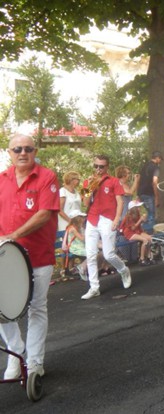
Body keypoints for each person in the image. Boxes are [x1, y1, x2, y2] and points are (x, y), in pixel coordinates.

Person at [0, 133, 60, 379]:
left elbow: (44, 213)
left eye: (27, 148)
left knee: (37, 308)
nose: (22, 153)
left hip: (38, 255)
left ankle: (35, 363)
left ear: (35, 152)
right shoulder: (2, 180)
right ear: (9, 153)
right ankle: (16, 353)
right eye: (17, 149)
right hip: (6, 258)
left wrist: (12, 235)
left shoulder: (47, 177)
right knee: (1, 308)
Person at [80, 155, 132, 300]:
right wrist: (89, 187)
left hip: (107, 219)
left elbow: (120, 201)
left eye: (101, 166)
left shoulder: (113, 181)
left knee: (109, 254)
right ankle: (94, 287)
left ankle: (123, 270)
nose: (98, 169)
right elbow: (84, 203)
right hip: (92, 219)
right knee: (90, 255)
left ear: (107, 167)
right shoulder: (87, 181)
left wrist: (117, 219)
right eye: (95, 166)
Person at [120, 200, 154, 266]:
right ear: (134, 209)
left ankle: (149, 257)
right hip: (130, 233)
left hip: (137, 231)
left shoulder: (137, 214)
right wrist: (140, 220)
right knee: (145, 240)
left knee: (149, 238)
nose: (139, 208)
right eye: (138, 207)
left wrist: (143, 219)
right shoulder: (128, 217)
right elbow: (133, 228)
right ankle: (142, 259)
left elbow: (138, 225)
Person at [138, 151, 163, 233]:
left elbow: (139, 178)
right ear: (157, 158)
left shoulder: (145, 165)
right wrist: (157, 197)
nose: (160, 161)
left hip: (141, 192)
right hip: (149, 193)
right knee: (151, 215)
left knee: (149, 213)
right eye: (160, 159)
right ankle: (149, 235)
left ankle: (144, 231)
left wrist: (138, 193)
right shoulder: (156, 167)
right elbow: (154, 182)